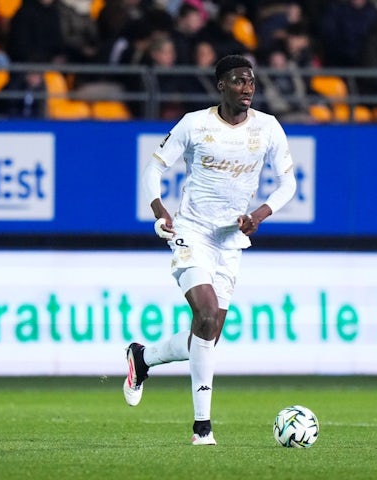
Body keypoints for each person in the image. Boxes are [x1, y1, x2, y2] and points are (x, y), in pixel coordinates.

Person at [123, 54, 297, 446]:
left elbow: (288, 184)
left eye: (251, 81)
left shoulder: (268, 128)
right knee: (203, 312)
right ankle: (203, 427)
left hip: (230, 241)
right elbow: (153, 170)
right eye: (238, 81)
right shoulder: (195, 124)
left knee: (208, 332)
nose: (247, 87)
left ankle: (143, 357)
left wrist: (261, 213)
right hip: (192, 231)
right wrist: (160, 210)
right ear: (221, 86)